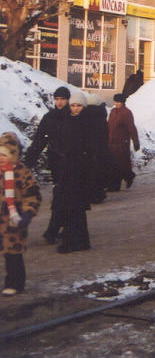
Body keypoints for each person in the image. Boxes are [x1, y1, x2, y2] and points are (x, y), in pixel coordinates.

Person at [24, 86, 71, 244]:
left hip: (71, 162)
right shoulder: (49, 117)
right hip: (56, 162)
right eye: (57, 99)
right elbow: (39, 140)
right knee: (61, 195)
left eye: (63, 99)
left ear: (68, 100)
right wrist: (28, 162)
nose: (59, 102)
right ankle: (62, 228)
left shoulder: (73, 116)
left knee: (62, 196)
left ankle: (54, 230)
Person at [0, 133, 41, 295]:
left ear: (13, 154)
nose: (1, 158)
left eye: (5, 154)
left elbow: (32, 194)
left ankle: (15, 283)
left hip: (13, 219)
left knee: (13, 253)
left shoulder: (22, 171)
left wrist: (28, 213)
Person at [54, 91, 93, 253]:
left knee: (74, 208)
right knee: (71, 207)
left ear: (83, 107)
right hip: (67, 170)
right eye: (73, 105)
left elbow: (90, 149)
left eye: (78, 106)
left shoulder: (87, 123)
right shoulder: (67, 121)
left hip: (79, 172)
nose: (75, 109)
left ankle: (73, 241)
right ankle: (79, 241)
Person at [107, 94, 140, 190]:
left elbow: (131, 128)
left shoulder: (126, 113)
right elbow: (109, 125)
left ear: (123, 102)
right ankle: (116, 184)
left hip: (122, 143)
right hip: (111, 142)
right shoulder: (113, 112)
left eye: (118, 102)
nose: (116, 104)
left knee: (120, 164)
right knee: (113, 164)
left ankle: (128, 176)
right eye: (115, 102)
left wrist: (135, 142)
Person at [83, 94, 110, 204]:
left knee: (90, 173)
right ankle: (99, 194)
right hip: (101, 147)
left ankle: (92, 195)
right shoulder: (102, 114)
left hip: (90, 147)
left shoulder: (86, 115)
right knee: (98, 172)